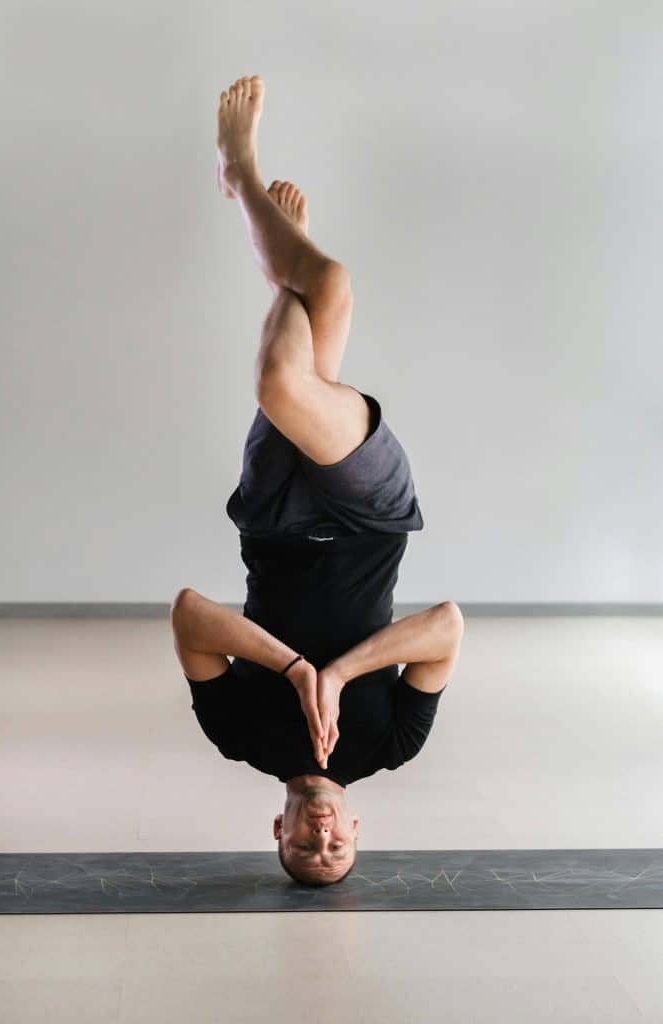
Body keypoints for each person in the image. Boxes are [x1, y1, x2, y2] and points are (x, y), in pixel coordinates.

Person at [171, 75, 465, 887]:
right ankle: (240, 176)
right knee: (297, 350)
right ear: (357, 829)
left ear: (279, 828)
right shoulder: (388, 747)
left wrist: (296, 669)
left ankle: (275, 256)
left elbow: (192, 616)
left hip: (272, 519)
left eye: (303, 849)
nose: (322, 840)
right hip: (372, 517)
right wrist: (340, 673)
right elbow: (445, 626)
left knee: (309, 328)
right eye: (338, 849)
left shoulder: (244, 740)